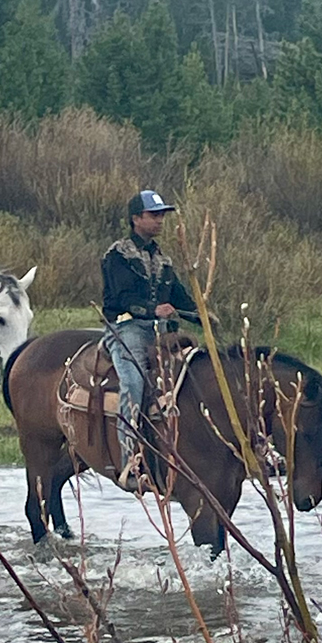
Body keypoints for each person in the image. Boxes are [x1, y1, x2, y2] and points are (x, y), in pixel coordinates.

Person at [101, 189, 199, 490]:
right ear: (135, 219)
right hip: (127, 328)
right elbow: (121, 297)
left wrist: (200, 313)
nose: (160, 221)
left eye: (162, 216)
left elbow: (180, 297)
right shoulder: (117, 256)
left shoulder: (164, 260)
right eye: (153, 215)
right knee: (133, 381)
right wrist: (152, 309)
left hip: (163, 333)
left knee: (196, 371)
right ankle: (130, 459)